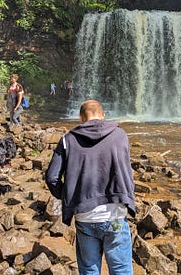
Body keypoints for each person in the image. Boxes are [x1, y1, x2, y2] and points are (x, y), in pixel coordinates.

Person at [45, 100, 135, 275]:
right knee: (122, 269)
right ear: (102, 116)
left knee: (89, 270)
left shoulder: (67, 140)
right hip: (115, 215)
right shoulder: (120, 135)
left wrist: (70, 196)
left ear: (80, 117)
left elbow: (51, 177)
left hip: (85, 216)